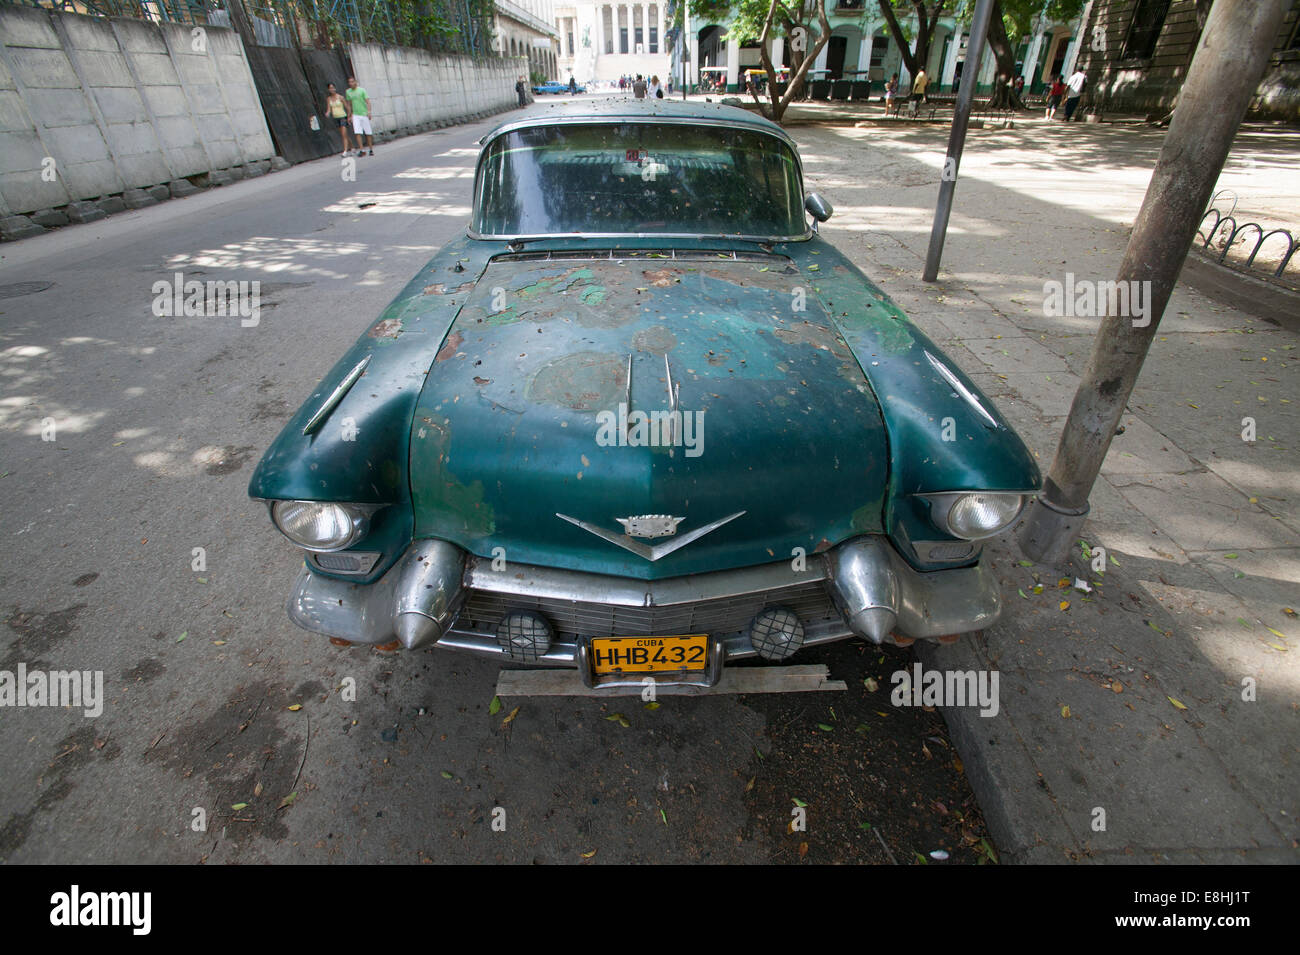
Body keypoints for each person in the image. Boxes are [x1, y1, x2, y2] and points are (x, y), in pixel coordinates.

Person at [345, 77, 374, 155]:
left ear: (355, 82)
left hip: (364, 114)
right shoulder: (348, 92)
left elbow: (368, 102)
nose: (351, 83)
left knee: (368, 132)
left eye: (352, 82)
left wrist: (369, 112)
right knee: (357, 132)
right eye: (349, 82)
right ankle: (362, 150)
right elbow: (349, 104)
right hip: (355, 115)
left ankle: (371, 149)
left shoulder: (362, 90)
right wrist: (349, 116)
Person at [325, 83, 353, 156]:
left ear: (335, 88)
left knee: (344, 134)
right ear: (328, 89)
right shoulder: (328, 99)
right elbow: (329, 109)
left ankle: (345, 151)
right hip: (336, 118)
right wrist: (327, 113)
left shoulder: (340, 97)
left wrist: (349, 116)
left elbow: (347, 107)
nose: (332, 89)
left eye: (333, 88)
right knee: (344, 135)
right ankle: (352, 147)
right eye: (330, 88)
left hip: (343, 117)